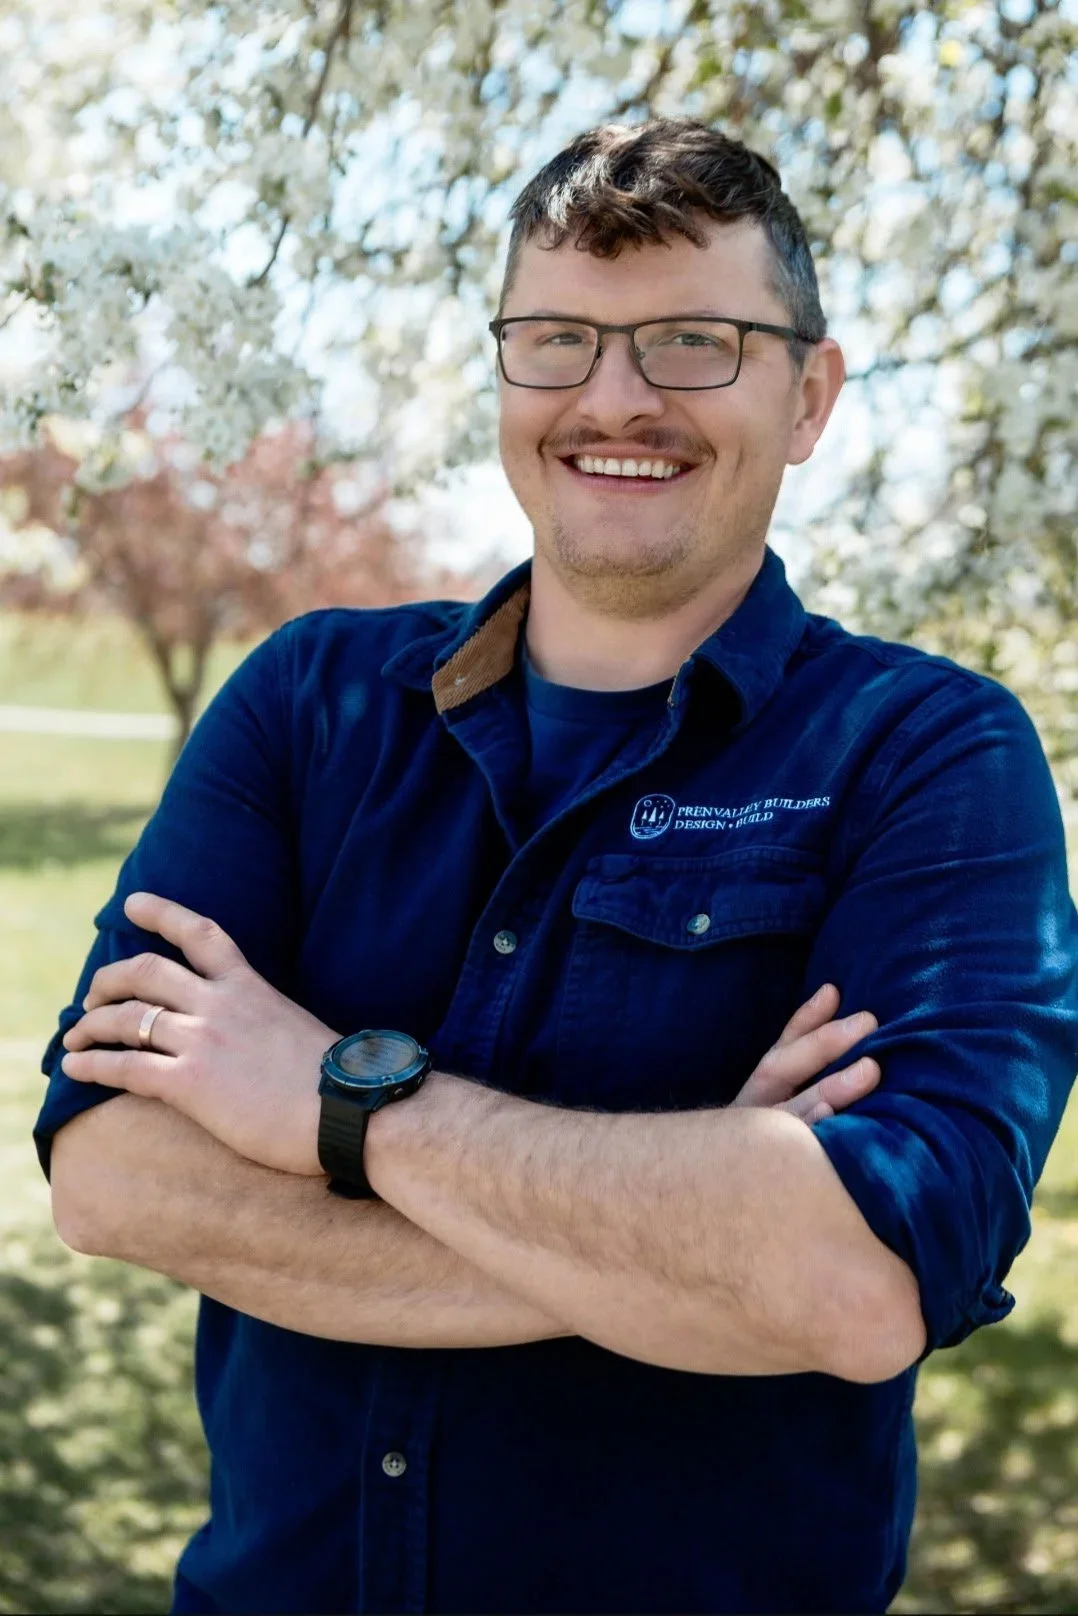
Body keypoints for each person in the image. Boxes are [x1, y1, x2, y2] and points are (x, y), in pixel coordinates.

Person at [35, 117, 1078, 1616]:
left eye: (694, 344)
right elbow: (112, 1174)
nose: (615, 397)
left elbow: (863, 1279)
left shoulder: (925, 754)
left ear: (808, 397)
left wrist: (335, 1101)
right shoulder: (308, 702)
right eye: (557, 341)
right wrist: (695, 1238)